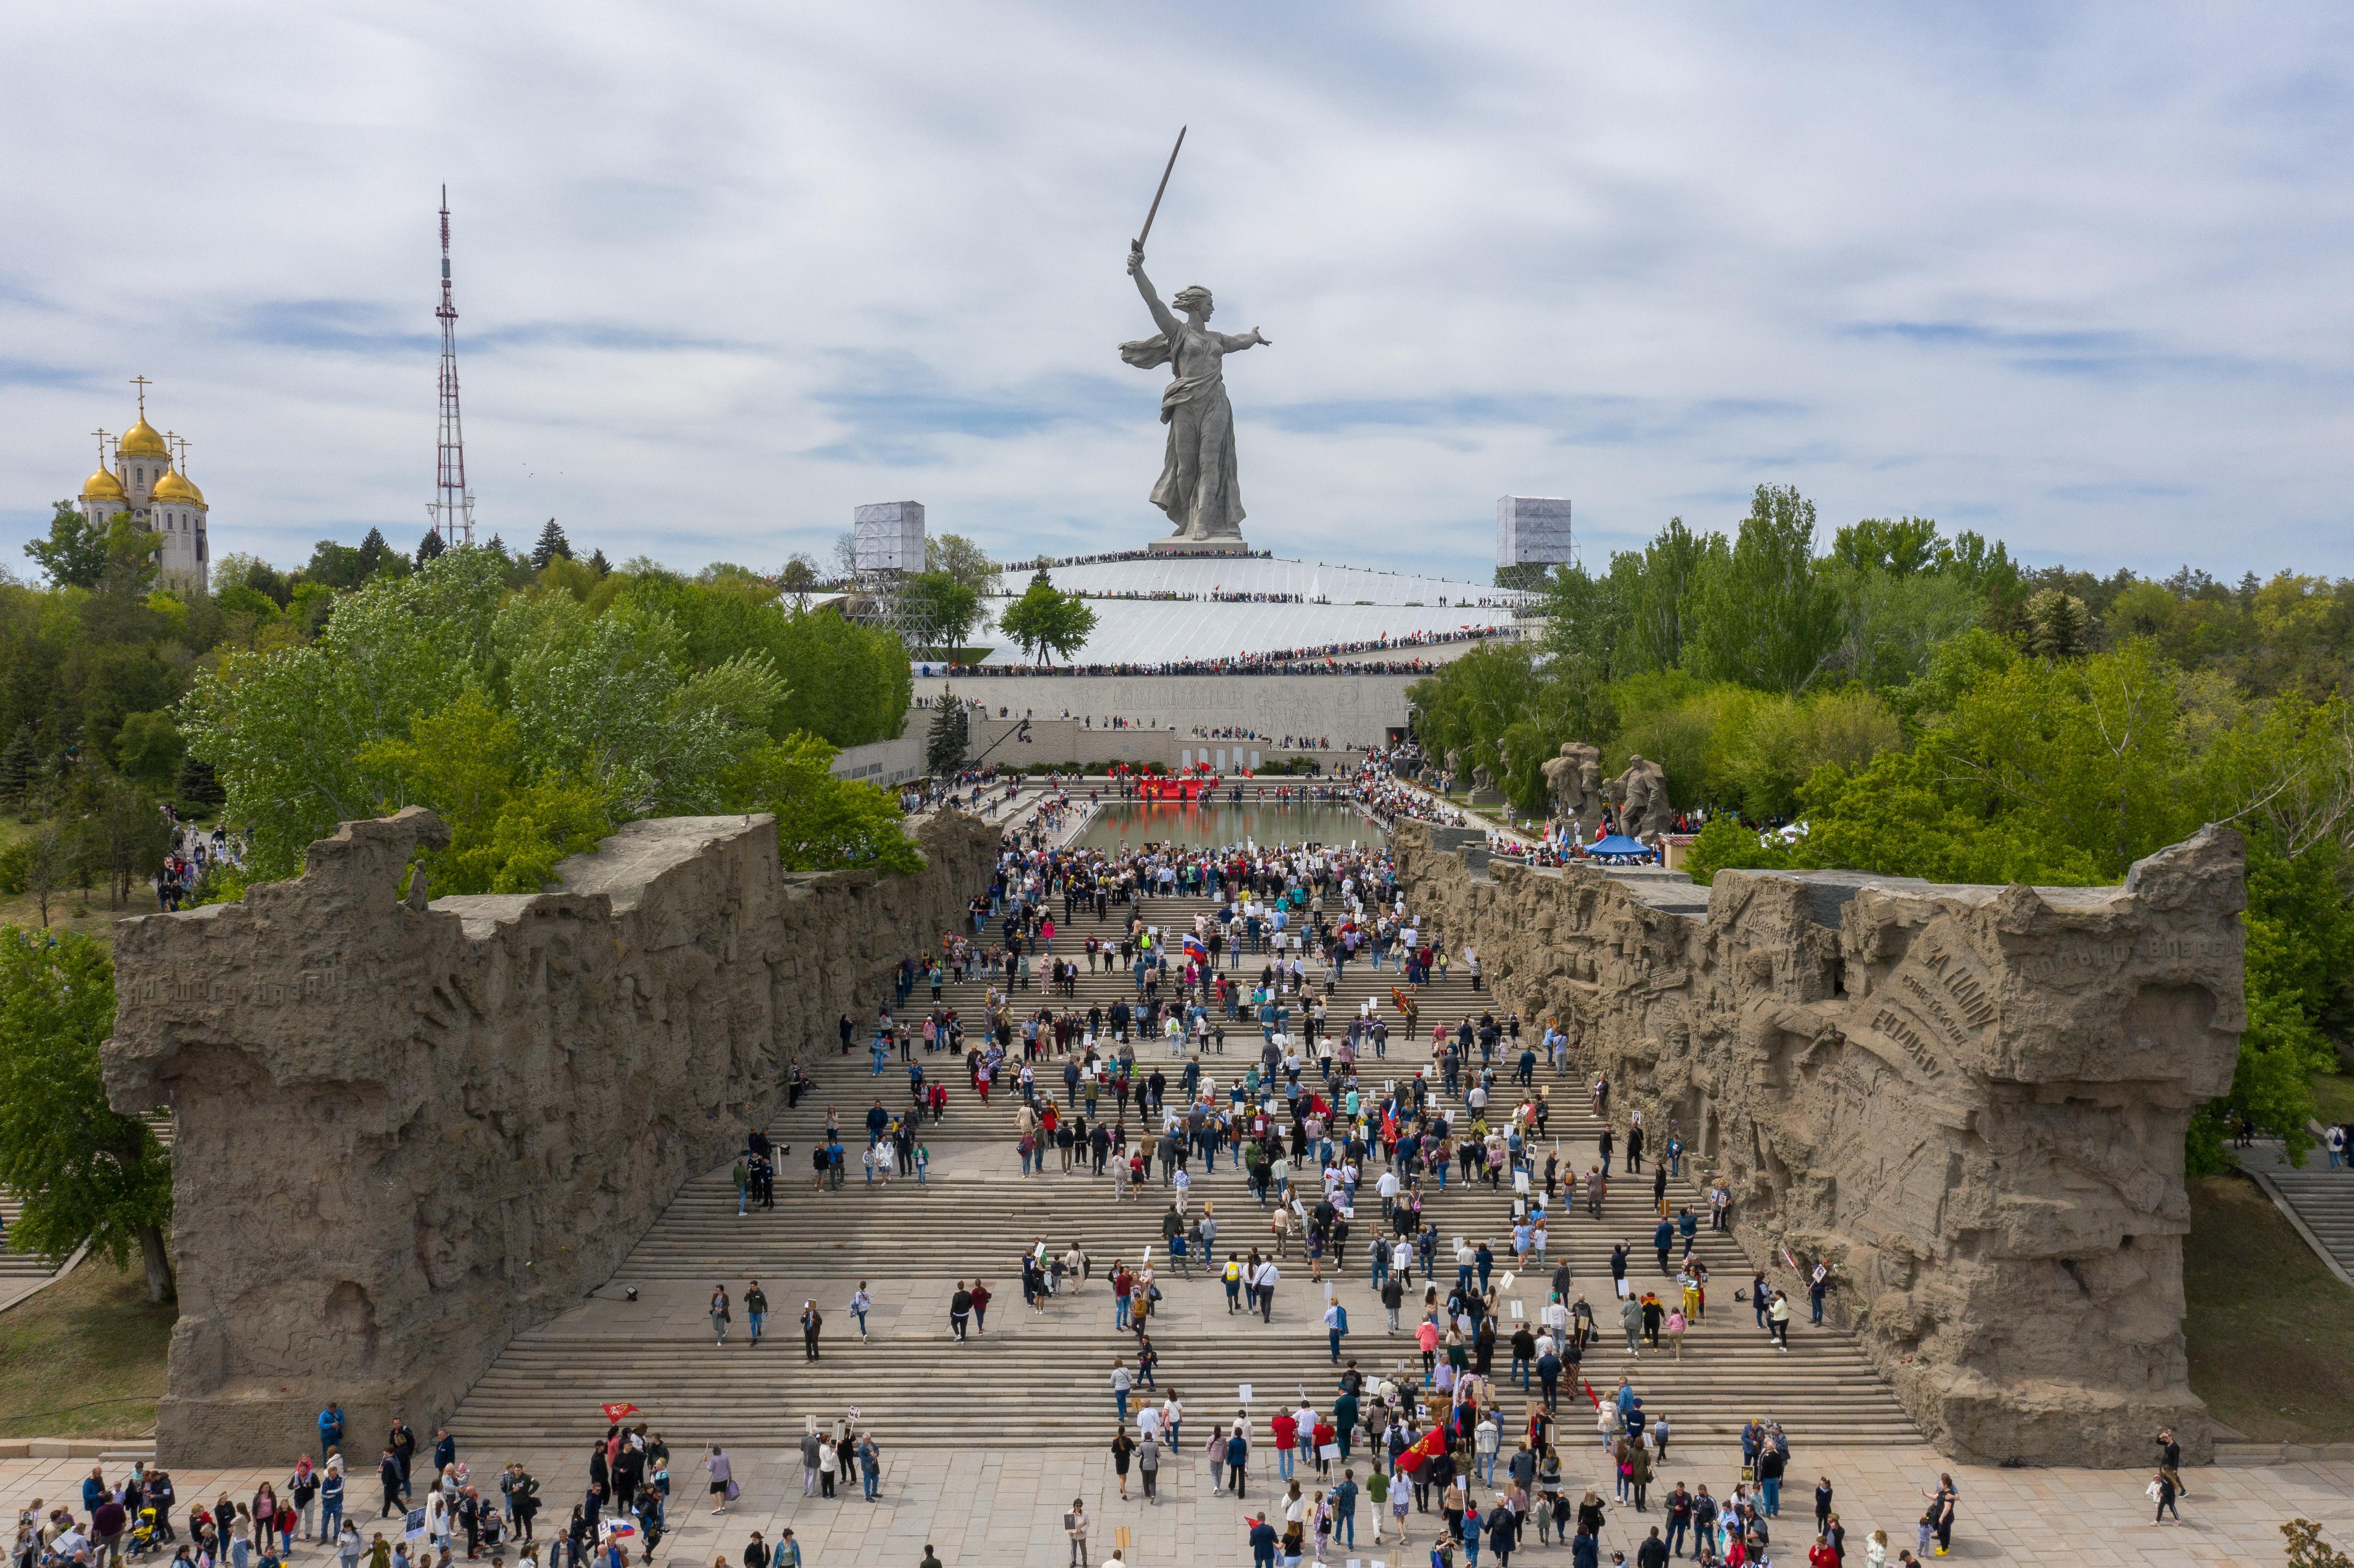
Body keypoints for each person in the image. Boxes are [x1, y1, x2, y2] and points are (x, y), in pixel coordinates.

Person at [1064, 1498, 1091, 1568]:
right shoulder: (1070, 1512)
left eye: (1080, 1506)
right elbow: (1068, 1523)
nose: (1079, 1507)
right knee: (1073, 1548)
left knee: (1083, 1549)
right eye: (1077, 1506)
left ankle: (1084, 1561)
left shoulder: (1085, 1514)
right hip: (1073, 1535)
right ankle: (1074, 1561)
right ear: (1074, 1506)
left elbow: (1088, 1524)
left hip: (1081, 1535)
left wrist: (1082, 1530)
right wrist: (1069, 1532)